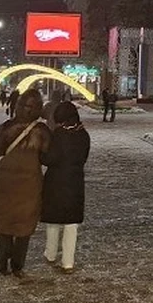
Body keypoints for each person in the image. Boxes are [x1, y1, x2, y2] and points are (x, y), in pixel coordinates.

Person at [0, 89, 51, 277]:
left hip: (6, 181)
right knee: (24, 223)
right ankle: (18, 265)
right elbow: (47, 157)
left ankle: (2, 262)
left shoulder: (7, 127)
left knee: (4, 220)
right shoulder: (41, 131)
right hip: (30, 182)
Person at [41, 102, 90, 274]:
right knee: (71, 224)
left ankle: (51, 253)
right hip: (75, 181)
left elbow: (48, 159)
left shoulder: (59, 135)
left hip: (56, 181)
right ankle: (68, 262)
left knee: (53, 221)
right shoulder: (84, 135)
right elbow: (83, 157)